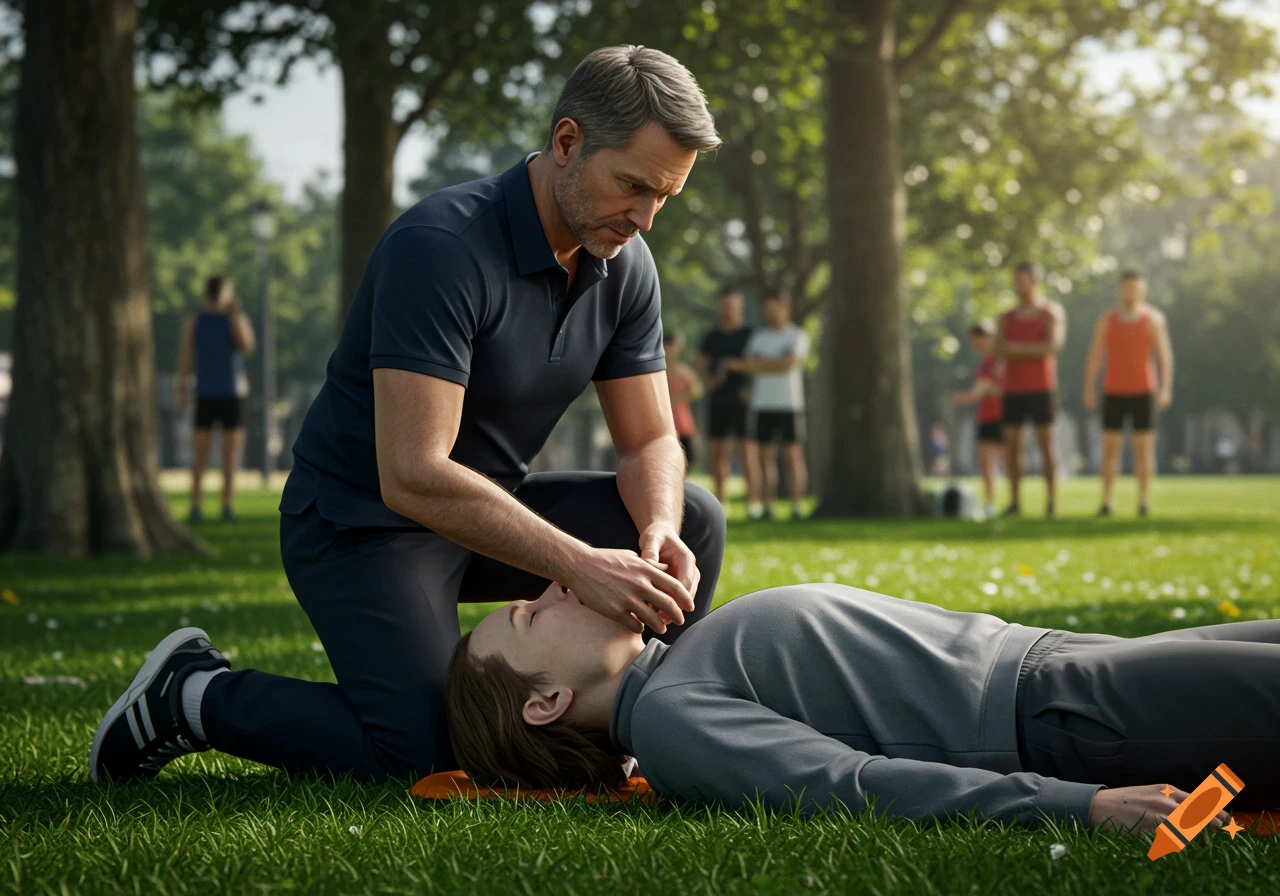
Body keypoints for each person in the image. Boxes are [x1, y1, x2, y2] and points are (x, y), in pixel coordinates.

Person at [89, 46, 727, 785]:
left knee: (692, 519)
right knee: (427, 754)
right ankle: (191, 694)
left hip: (488, 508)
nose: (645, 218)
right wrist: (580, 564)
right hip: (364, 524)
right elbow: (413, 472)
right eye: (633, 186)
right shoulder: (442, 248)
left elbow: (650, 439)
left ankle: (651, 725)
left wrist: (656, 527)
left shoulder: (624, 264)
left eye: (664, 197)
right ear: (566, 142)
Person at [446, 581, 1279, 832]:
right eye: (530, 617)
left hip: (1062, 664)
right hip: (1068, 716)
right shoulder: (669, 720)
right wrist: (1079, 807)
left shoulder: (677, 668)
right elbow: (849, 785)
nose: (554, 587)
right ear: (546, 703)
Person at [1083, 270, 1174, 517]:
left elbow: (1164, 356)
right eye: (1127, 287)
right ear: (1120, 289)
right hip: (1113, 391)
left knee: (1143, 450)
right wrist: (1089, 387)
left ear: (1142, 289)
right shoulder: (1107, 319)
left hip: (1144, 391)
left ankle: (1143, 501)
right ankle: (1106, 501)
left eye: (1135, 287)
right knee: (1109, 450)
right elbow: (1095, 355)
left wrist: (1165, 388)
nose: (1131, 292)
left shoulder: (1153, 319)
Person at [175, 276, 255, 523]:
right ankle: (196, 505)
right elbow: (185, 357)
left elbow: (247, 346)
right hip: (205, 393)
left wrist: (235, 317)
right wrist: (182, 390)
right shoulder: (195, 322)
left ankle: (227, 505)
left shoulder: (235, 320)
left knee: (230, 454)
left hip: (232, 394)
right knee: (200, 453)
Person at [726, 291, 809, 521]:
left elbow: (789, 364)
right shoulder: (759, 337)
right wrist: (774, 363)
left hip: (790, 405)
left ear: (785, 309)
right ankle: (767, 506)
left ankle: (797, 506)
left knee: (792, 457)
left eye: (775, 308)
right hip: (762, 405)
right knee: (765, 457)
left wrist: (761, 364)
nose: (771, 313)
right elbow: (748, 365)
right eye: (768, 309)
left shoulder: (797, 336)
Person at [995, 262, 1066, 517]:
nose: (1020, 287)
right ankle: (1015, 502)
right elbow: (999, 349)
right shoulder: (1006, 317)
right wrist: (1032, 349)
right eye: (1017, 282)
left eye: (1024, 281)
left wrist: (1016, 349)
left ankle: (1051, 502)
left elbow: (1052, 347)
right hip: (1012, 389)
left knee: (1046, 445)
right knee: (1013, 447)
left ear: (1035, 282)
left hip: (1041, 388)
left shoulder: (1050, 313)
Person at [695, 288, 754, 506]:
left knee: (747, 451)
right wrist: (709, 380)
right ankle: (721, 501)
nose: (728, 308)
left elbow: (757, 363)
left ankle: (753, 502)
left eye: (732, 304)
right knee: (718, 451)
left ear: (740, 306)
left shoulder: (750, 335)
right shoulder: (712, 337)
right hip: (718, 399)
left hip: (742, 400)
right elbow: (700, 362)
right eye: (725, 304)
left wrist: (738, 369)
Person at [952, 322, 1004, 517]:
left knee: (1007, 460)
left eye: (979, 340)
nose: (977, 345)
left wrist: (969, 397)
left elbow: (993, 390)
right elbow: (982, 390)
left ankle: (1014, 501)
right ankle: (990, 503)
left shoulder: (1001, 360)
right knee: (985, 462)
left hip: (1001, 415)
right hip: (986, 416)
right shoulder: (985, 363)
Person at [663, 332, 704, 468]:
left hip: (683, 426)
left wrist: (673, 399)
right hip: (662, 426)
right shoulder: (657, 373)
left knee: (686, 463)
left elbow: (697, 391)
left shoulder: (683, 372)